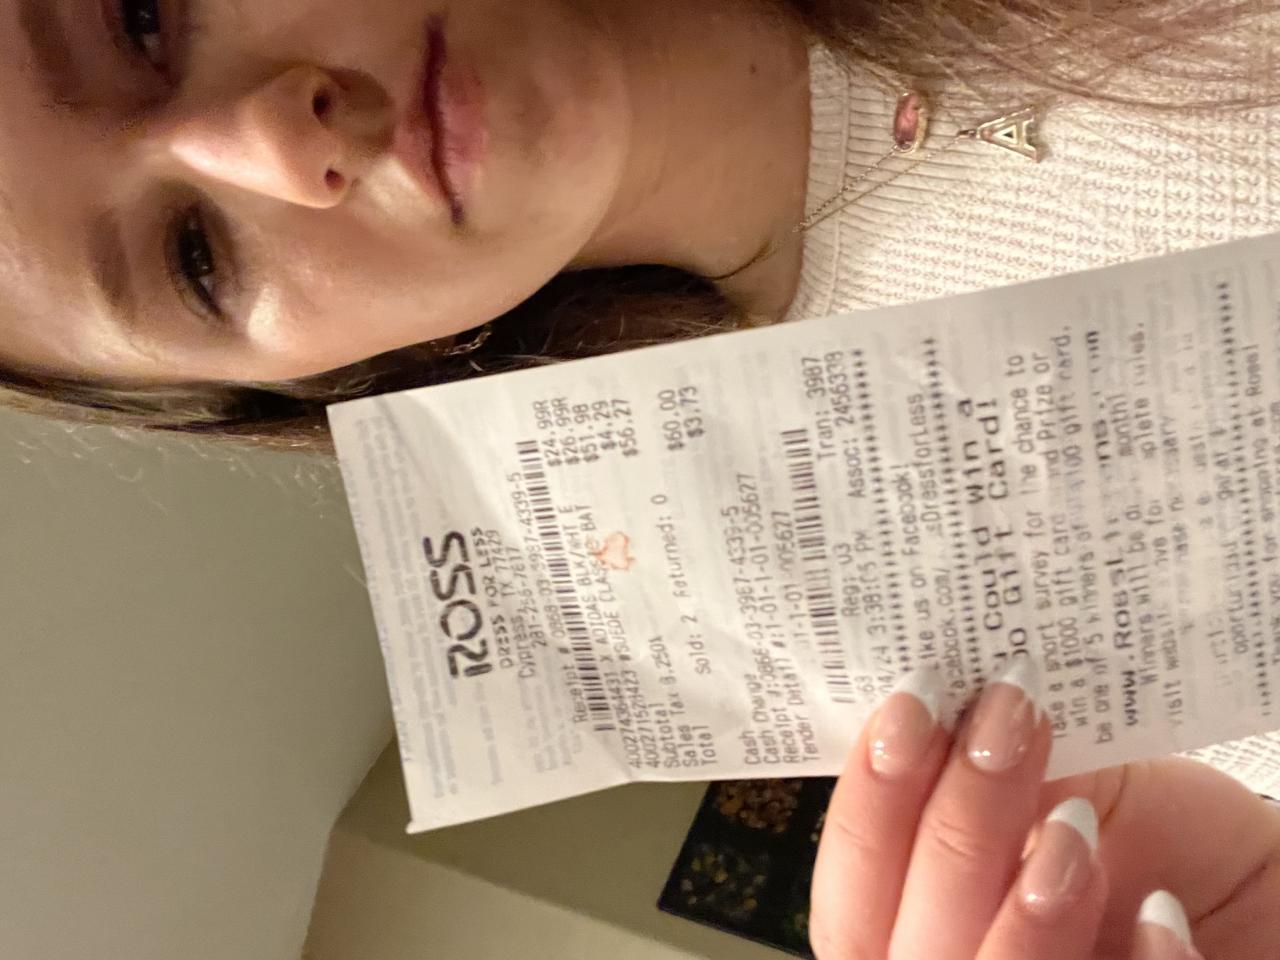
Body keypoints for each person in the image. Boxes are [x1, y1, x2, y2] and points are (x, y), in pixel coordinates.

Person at [2, 0, 1277, 955]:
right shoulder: (851, 629)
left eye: (140, 15)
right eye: (197, 260)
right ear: (305, 380)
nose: (282, 143)